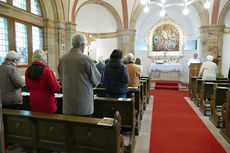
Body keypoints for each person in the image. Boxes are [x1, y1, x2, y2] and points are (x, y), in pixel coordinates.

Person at [58, 34, 101, 117]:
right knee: (84, 128)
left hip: (68, 104)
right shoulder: (86, 59)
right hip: (83, 105)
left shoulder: (62, 59)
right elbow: (96, 80)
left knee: (70, 129)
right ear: (83, 45)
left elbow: (61, 79)